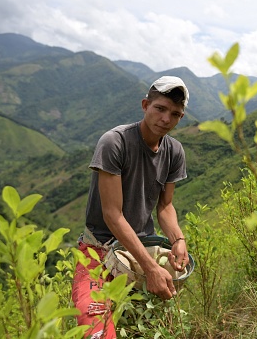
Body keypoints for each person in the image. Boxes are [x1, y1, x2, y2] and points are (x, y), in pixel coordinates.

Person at [72, 76, 190, 339]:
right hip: (99, 250)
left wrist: (178, 239)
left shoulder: (174, 151)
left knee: (145, 329)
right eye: (159, 108)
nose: (165, 119)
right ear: (145, 105)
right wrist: (151, 269)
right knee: (96, 330)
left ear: (180, 118)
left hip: (140, 249)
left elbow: (165, 206)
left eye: (175, 114)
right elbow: (112, 215)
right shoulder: (115, 142)